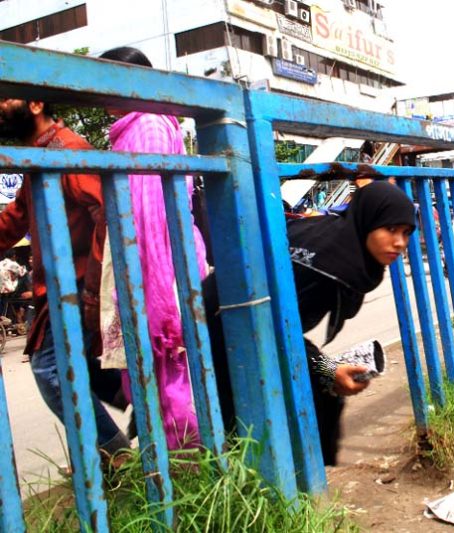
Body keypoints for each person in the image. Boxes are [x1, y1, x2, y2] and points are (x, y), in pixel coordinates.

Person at [205, 181, 415, 465]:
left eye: (406, 233)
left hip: (249, 325)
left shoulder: (344, 246)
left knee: (311, 395)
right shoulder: (329, 262)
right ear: (367, 221)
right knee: (246, 423)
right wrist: (327, 369)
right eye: (390, 229)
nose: (400, 242)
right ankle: (281, 488)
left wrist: (325, 370)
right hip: (223, 325)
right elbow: (274, 330)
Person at [0, 98, 130, 461]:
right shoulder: (40, 157)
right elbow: (14, 218)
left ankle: (113, 452)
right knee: (85, 367)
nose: (0, 106)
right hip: (61, 287)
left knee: (51, 370)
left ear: (37, 104)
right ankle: (137, 409)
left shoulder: (67, 150)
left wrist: (92, 290)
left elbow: (108, 214)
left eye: (7, 98)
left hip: (74, 286)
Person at [98, 46, 209, 450]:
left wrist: (158, 308)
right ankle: (172, 470)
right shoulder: (137, 126)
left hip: (153, 267)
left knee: (166, 383)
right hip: (146, 262)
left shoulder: (147, 125)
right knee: (151, 382)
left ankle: (193, 477)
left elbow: (151, 219)